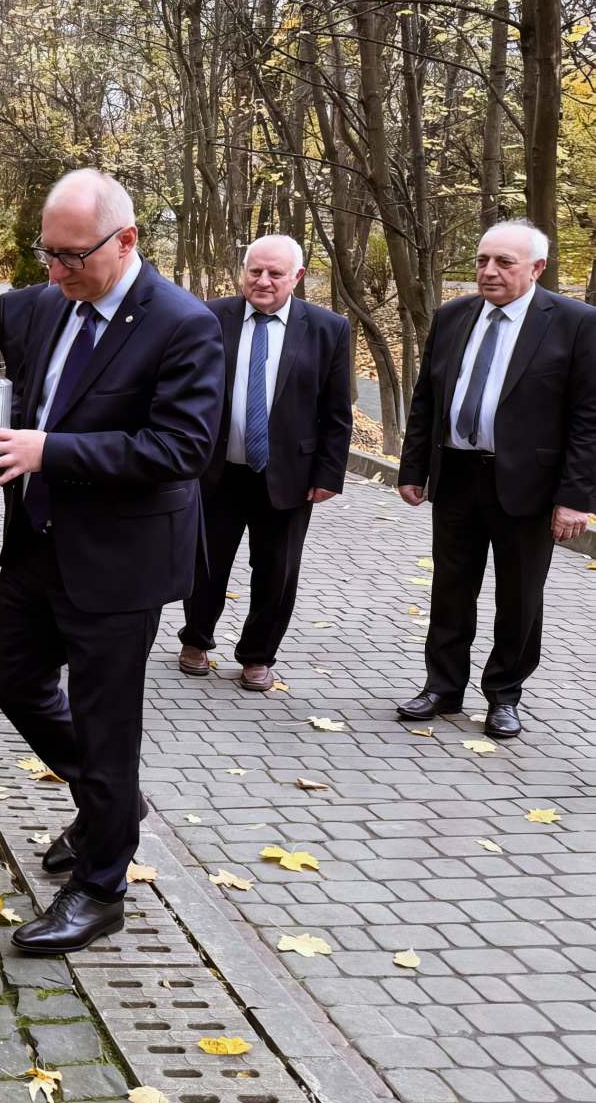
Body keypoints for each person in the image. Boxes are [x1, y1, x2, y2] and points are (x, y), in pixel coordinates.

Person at [0, 170, 224, 953]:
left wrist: (48, 450)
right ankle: (113, 805)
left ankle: (102, 886)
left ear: (127, 241)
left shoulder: (184, 325)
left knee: (106, 722)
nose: (55, 271)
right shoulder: (32, 305)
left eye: (72, 257)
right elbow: (12, 400)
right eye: (47, 253)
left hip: (121, 556)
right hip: (37, 541)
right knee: (11, 680)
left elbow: (181, 447)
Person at [395, 220, 596, 739]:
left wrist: (575, 497)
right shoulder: (453, 315)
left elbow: (588, 417)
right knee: (451, 586)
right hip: (457, 474)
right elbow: (427, 399)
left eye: (504, 262)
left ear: (537, 268)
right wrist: (414, 466)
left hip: (530, 484)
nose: (489, 271)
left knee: (520, 595)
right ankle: (442, 687)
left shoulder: (575, 323)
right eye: (483, 260)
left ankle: (504, 695)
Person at [176, 235, 352, 690]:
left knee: (277, 571)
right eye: (255, 271)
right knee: (205, 562)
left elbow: (336, 412)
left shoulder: (328, 329)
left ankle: (257, 655)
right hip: (216, 470)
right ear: (244, 271)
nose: (263, 281)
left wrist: (329, 473)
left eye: (275, 273)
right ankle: (195, 640)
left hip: (289, 476)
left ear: (296, 277)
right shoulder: (209, 318)